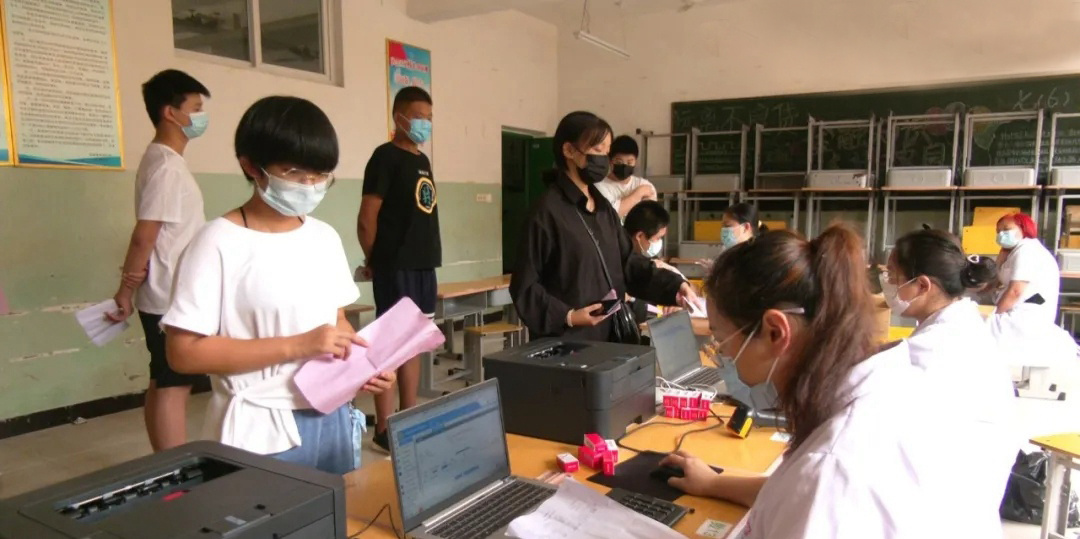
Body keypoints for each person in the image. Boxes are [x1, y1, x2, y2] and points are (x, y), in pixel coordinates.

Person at [661, 224, 1016, 538]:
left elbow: (820, 490)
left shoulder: (833, 465)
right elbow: (798, 496)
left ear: (775, 332)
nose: (719, 354)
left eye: (720, 339)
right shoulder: (881, 384)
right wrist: (715, 483)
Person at [162, 96, 395, 475]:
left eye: (321, 175)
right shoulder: (217, 242)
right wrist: (298, 345)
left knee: (339, 510)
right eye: (295, 172)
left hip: (330, 413)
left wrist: (363, 366)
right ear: (251, 167)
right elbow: (183, 353)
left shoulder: (323, 237)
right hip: (258, 426)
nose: (310, 186)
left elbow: (337, 322)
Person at [510, 111, 697, 342]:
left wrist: (674, 287)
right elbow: (525, 285)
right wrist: (568, 316)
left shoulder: (602, 208)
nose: (604, 161)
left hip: (610, 337)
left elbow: (628, 263)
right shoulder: (547, 212)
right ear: (569, 150)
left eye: (607, 152)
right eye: (597, 150)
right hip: (569, 341)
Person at [105, 69, 210, 452]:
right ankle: (174, 466)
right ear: (170, 112)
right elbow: (144, 234)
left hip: (168, 288)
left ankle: (162, 460)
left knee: (162, 378)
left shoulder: (162, 160)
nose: (201, 116)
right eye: (195, 108)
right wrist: (125, 290)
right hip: (168, 293)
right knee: (174, 383)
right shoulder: (166, 166)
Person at [356, 86, 440, 453]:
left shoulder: (423, 160)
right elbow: (367, 218)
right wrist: (376, 260)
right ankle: (384, 427)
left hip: (424, 264)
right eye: (419, 116)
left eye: (429, 117)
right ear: (399, 117)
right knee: (389, 348)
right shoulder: (384, 157)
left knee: (414, 343)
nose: (425, 123)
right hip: (396, 266)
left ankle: (410, 416)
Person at [988, 212, 1077, 382]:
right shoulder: (1015, 251)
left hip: (1026, 314)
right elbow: (997, 282)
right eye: (998, 231)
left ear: (1024, 228)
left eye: (1006, 229)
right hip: (1024, 310)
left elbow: (1015, 291)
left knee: (982, 329)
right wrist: (1000, 259)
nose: (1001, 234)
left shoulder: (1027, 251)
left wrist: (994, 314)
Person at [623, 200, 683, 322]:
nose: (659, 243)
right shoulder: (620, 261)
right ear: (639, 236)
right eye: (658, 238)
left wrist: (673, 298)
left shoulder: (643, 261)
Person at [595, 135, 657, 220]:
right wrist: (639, 193)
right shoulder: (599, 185)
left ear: (635, 162)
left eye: (629, 162)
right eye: (619, 162)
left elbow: (648, 218)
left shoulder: (644, 184)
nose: (624, 166)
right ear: (610, 160)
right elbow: (613, 215)